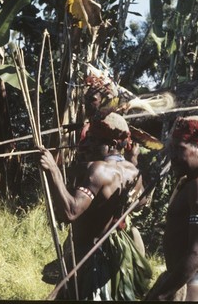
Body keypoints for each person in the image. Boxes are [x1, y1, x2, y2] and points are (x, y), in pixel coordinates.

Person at [39, 111, 152, 300]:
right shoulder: (134, 172)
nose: (86, 145)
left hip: (88, 257)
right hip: (113, 253)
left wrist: (53, 171)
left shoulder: (99, 170)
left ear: (113, 145)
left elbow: (70, 211)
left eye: (95, 140)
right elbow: (141, 203)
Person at [146, 115, 198, 301]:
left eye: (179, 149)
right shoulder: (190, 182)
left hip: (190, 287)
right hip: (182, 282)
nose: (172, 155)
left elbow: (197, 252)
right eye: (171, 148)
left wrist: (163, 295)